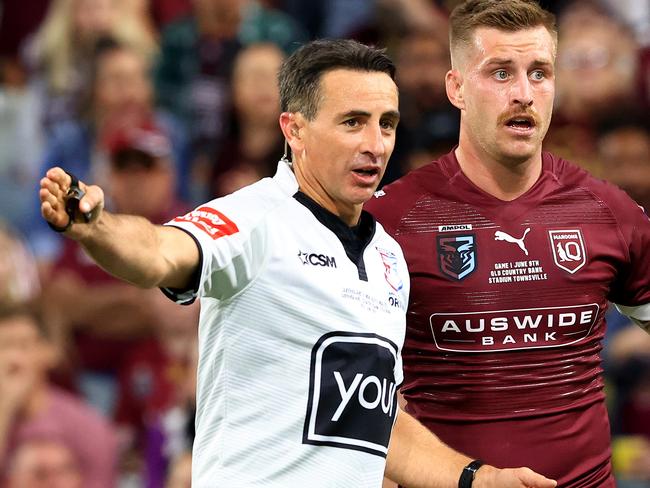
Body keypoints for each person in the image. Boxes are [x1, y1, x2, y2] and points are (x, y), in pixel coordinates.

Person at [40, 38, 556, 487]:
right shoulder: (253, 219)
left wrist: (475, 478)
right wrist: (96, 227)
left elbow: (374, 420)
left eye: (387, 124)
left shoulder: (388, 258)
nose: (375, 145)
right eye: (353, 122)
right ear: (295, 129)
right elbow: (157, 252)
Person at [364, 1, 650, 488]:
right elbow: (347, 396)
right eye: (500, 73)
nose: (524, 94)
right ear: (455, 87)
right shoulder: (388, 221)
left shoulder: (609, 213)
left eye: (539, 73)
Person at [0, 305, 118, 488]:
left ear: (49, 352)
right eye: (3, 347)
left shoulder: (86, 425)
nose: (13, 359)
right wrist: (5, 406)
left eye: (23, 346)